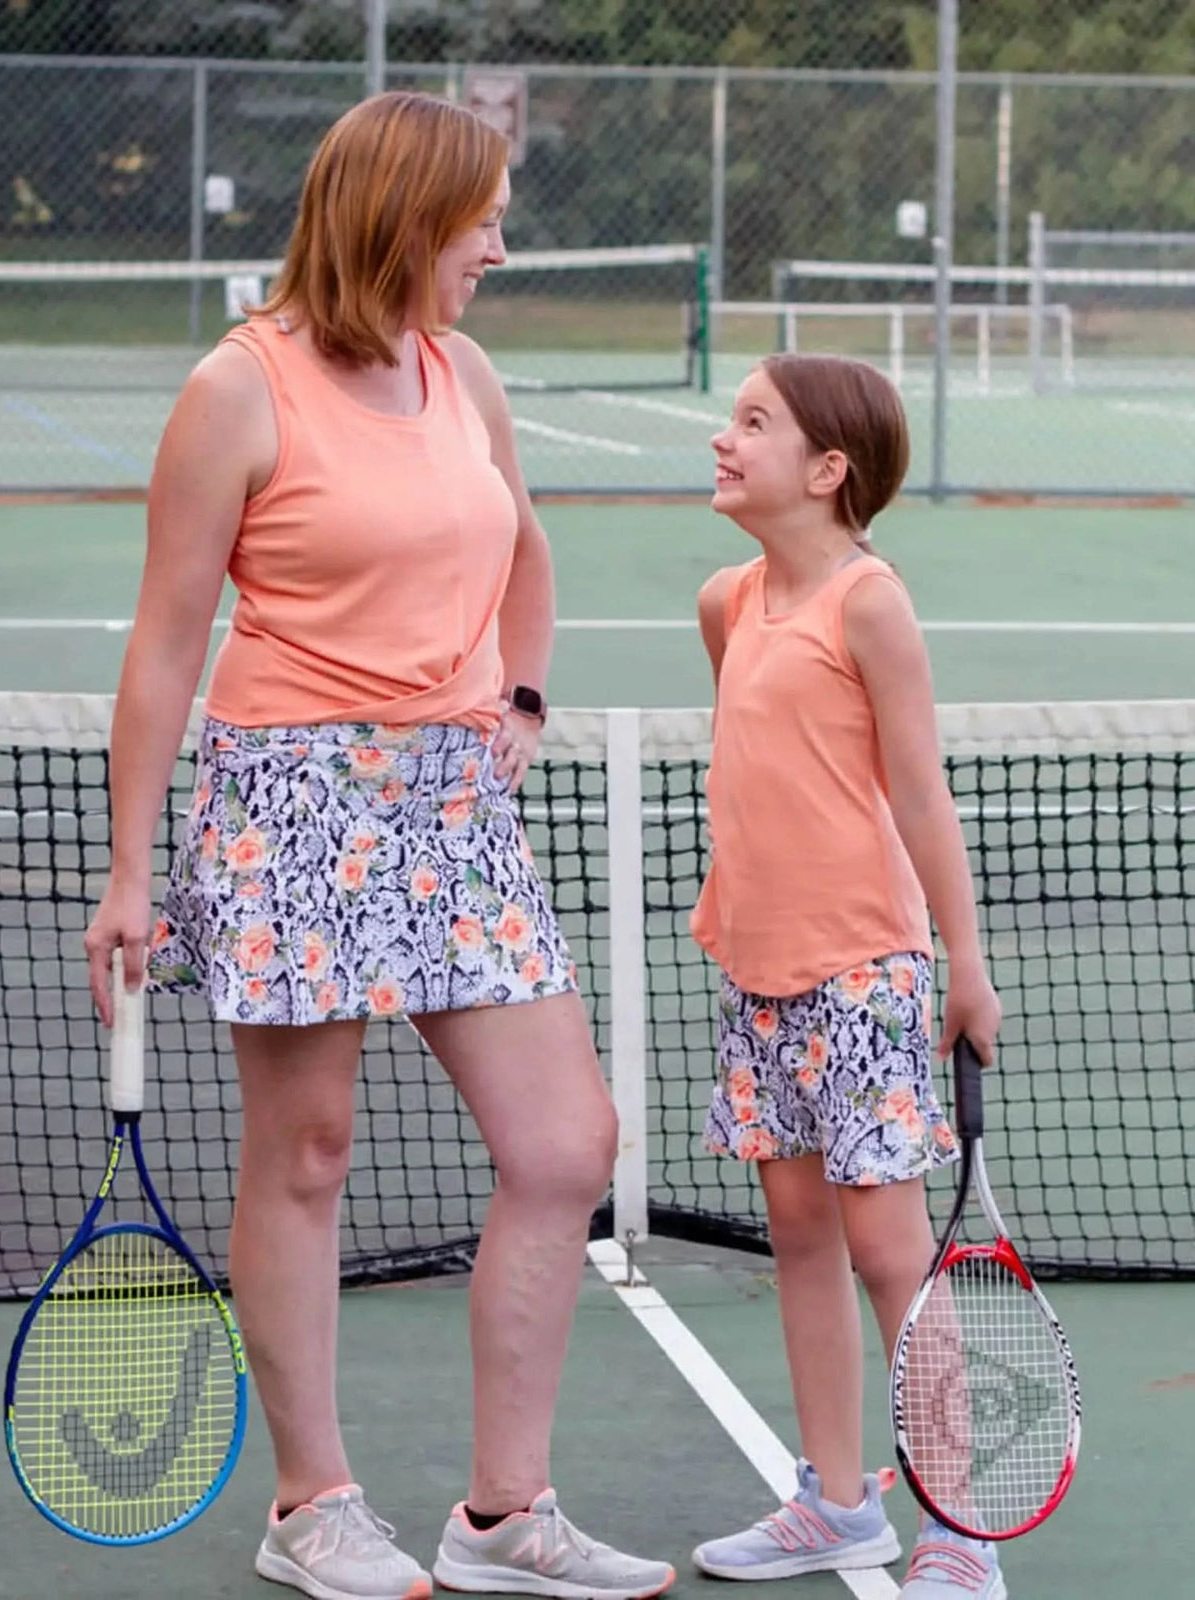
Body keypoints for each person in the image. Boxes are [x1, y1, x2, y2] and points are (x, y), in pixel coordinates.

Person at [84, 89, 676, 1600]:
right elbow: (165, 646)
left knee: (566, 1144)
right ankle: (311, 1506)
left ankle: (504, 1519)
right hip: (286, 799)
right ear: (400, 219)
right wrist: (133, 869)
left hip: (457, 810)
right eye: (476, 215)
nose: (496, 241)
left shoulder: (461, 370)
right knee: (307, 1152)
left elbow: (523, 548)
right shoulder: (240, 388)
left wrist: (522, 698)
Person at [686, 355, 1005, 1600]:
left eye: (753, 423)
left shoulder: (870, 602)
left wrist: (961, 963)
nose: (724, 440)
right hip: (757, 973)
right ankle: (835, 1502)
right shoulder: (725, 601)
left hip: (867, 971)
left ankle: (959, 1526)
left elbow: (917, 792)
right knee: (802, 1234)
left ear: (828, 471)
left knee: (888, 1251)